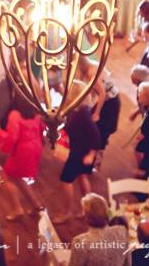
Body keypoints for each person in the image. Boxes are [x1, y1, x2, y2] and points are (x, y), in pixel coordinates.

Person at [55, 90, 100, 225]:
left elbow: (96, 135)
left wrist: (91, 154)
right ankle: (87, 209)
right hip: (80, 150)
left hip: (79, 152)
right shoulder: (80, 111)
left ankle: (67, 212)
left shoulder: (82, 115)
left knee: (66, 180)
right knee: (82, 176)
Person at [0, 105, 44, 221]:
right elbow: (42, 129)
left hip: (23, 150)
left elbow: (12, 138)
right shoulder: (36, 112)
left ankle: (17, 209)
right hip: (35, 147)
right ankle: (36, 205)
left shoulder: (15, 115)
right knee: (18, 178)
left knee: (7, 176)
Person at [69, 193, 131, 266]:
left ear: (86, 217)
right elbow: (128, 264)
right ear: (107, 212)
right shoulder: (122, 231)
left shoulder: (80, 242)